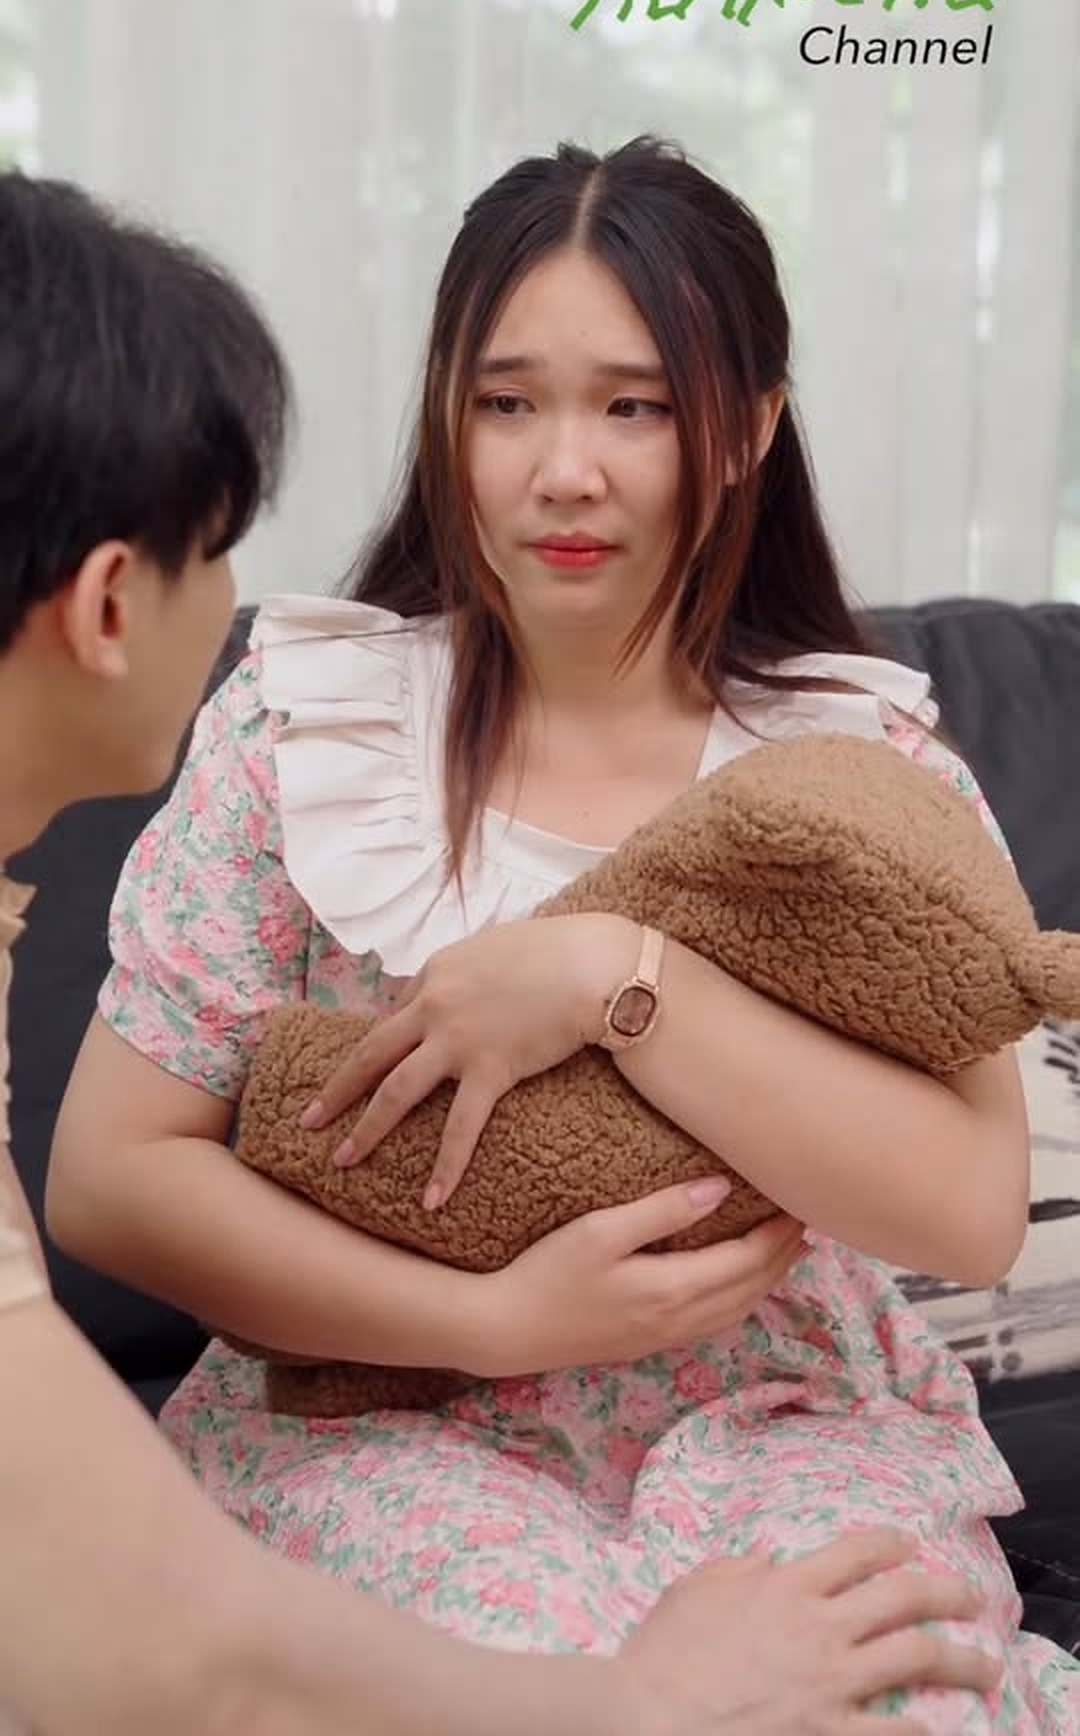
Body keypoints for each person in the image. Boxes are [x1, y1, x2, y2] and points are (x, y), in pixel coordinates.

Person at [40, 136, 1045, 1728]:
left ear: (748, 431)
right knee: (545, 1687)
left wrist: (620, 980)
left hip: (784, 1430)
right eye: (507, 403)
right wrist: (493, 1322)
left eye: (635, 408)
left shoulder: (867, 773)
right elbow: (112, 1175)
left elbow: (973, 1212)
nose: (563, 471)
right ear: (447, 417)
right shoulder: (308, 734)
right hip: (386, 1420)